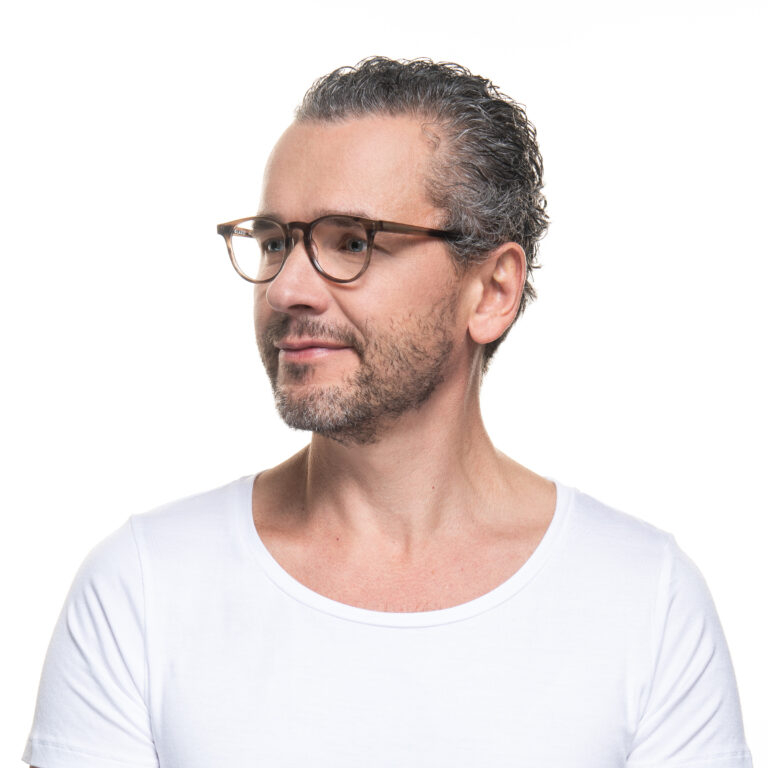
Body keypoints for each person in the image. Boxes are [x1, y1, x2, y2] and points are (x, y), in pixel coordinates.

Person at [23, 57, 752, 768]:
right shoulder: (143, 587)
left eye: (352, 242)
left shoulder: (644, 597)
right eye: (275, 242)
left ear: (492, 292)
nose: (286, 290)